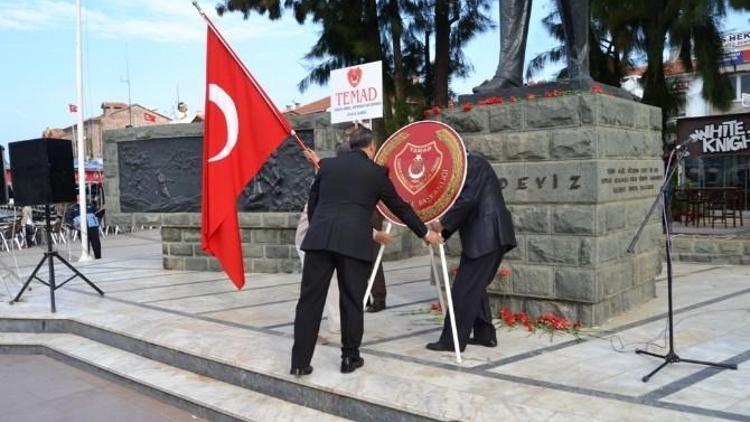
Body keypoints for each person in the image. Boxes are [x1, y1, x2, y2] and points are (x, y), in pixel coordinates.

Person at [291, 127, 442, 376]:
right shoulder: (376, 173)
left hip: (319, 241)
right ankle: (349, 358)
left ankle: (299, 363)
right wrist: (425, 234)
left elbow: (314, 205)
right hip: (353, 243)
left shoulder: (327, 166)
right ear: (371, 147)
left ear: (351, 145)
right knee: (351, 301)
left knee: (309, 302)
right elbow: (400, 208)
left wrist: (321, 228)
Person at [427, 154, 517, 352]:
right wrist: (442, 232)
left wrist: (442, 225)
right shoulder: (471, 166)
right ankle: (485, 335)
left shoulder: (472, 165)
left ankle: (452, 341)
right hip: (487, 236)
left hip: (487, 236)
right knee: (475, 286)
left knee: (463, 290)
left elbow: (467, 201)